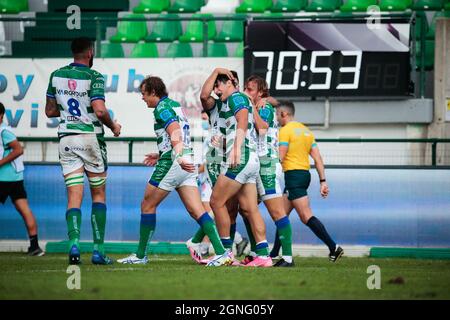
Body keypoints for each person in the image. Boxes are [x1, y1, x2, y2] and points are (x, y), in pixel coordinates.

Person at [118, 76, 232, 267]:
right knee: (197, 211)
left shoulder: (162, 108)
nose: (142, 98)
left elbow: (175, 130)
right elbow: (176, 133)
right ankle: (222, 253)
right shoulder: (175, 105)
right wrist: (164, 152)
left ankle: (140, 255)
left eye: (144, 94)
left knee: (147, 205)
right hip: (186, 160)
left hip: (174, 161)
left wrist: (176, 156)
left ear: (153, 92)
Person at [45, 37, 122, 265]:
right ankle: (98, 251)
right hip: (90, 139)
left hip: (66, 139)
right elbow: (99, 111)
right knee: (98, 195)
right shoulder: (94, 76)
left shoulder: (56, 75)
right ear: (90, 52)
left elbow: (50, 111)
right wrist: (114, 125)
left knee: (73, 198)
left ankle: (74, 245)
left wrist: (70, 114)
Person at [206, 68, 272, 267]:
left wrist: (235, 149)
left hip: (241, 157)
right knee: (250, 209)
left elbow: (243, 120)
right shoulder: (233, 101)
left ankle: (225, 253)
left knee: (216, 202)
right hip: (250, 159)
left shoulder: (236, 97)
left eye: (218, 84)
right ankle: (263, 255)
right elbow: (250, 127)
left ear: (229, 83)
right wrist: (228, 144)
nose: (216, 89)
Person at [273, 100, 344, 262]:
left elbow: (280, 157)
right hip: (304, 174)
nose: (276, 118)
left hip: (293, 176)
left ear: (284, 114)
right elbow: (318, 158)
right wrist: (323, 181)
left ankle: (334, 247)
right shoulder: (306, 131)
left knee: (305, 216)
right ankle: (274, 253)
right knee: (281, 216)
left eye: (277, 115)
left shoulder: (285, 131)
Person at [240, 76, 294, 267]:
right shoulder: (258, 106)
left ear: (261, 92)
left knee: (277, 212)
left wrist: (253, 105)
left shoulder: (265, 107)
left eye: (251, 89)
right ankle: (257, 251)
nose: (247, 92)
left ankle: (287, 257)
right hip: (257, 165)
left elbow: (262, 130)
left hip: (267, 166)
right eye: (245, 88)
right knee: (246, 209)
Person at [0, 102, 44, 256]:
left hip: (5, 178)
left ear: (1, 116)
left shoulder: (4, 131)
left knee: (24, 210)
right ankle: (35, 247)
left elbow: (18, 149)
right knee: (24, 209)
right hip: (14, 177)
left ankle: (35, 246)